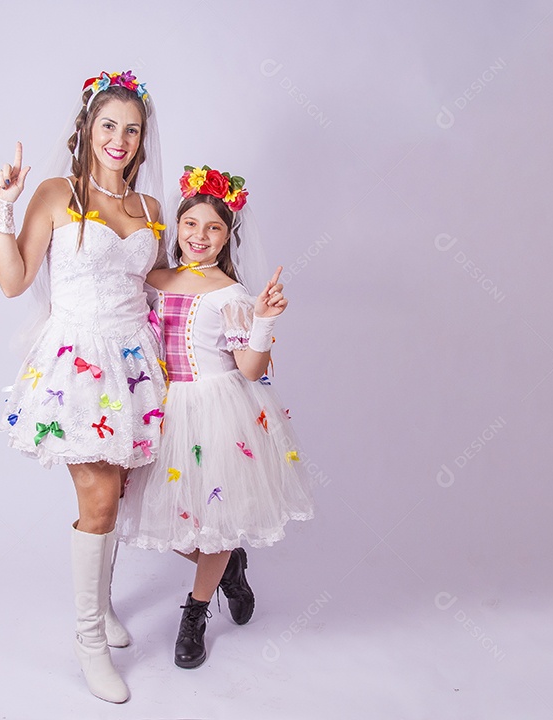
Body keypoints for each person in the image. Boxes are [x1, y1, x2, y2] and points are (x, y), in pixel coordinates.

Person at [0, 70, 165, 704]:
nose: (119, 139)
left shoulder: (150, 209)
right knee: (97, 499)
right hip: (79, 362)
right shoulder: (58, 193)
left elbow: (157, 285)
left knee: (115, 494)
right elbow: (14, 282)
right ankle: (89, 639)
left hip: (134, 363)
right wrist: (1, 206)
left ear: (143, 140)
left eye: (132, 129)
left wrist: (229, 302)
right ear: (88, 129)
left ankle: (106, 607)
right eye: (108, 125)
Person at [117, 165, 315, 668]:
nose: (200, 236)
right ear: (176, 227)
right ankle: (228, 567)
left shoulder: (230, 294)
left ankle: (196, 612)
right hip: (164, 407)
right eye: (191, 224)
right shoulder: (153, 280)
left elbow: (250, 369)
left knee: (216, 525)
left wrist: (264, 320)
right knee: (167, 520)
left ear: (228, 236)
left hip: (216, 411)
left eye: (214, 228)